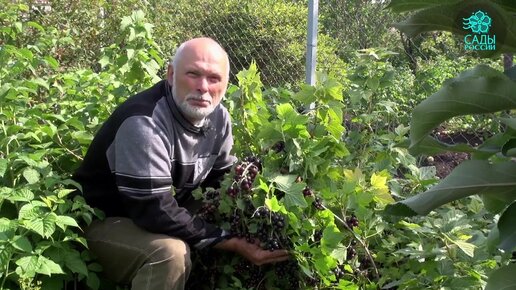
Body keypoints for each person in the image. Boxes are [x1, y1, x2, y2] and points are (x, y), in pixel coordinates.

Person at [73, 37, 289, 290]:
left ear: (226, 83)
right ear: (171, 74)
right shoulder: (145, 122)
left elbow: (222, 182)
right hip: (101, 221)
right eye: (193, 74)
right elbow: (154, 210)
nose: (203, 87)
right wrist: (229, 241)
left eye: (214, 78)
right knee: (169, 254)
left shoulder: (218, 118)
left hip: (151, 212)